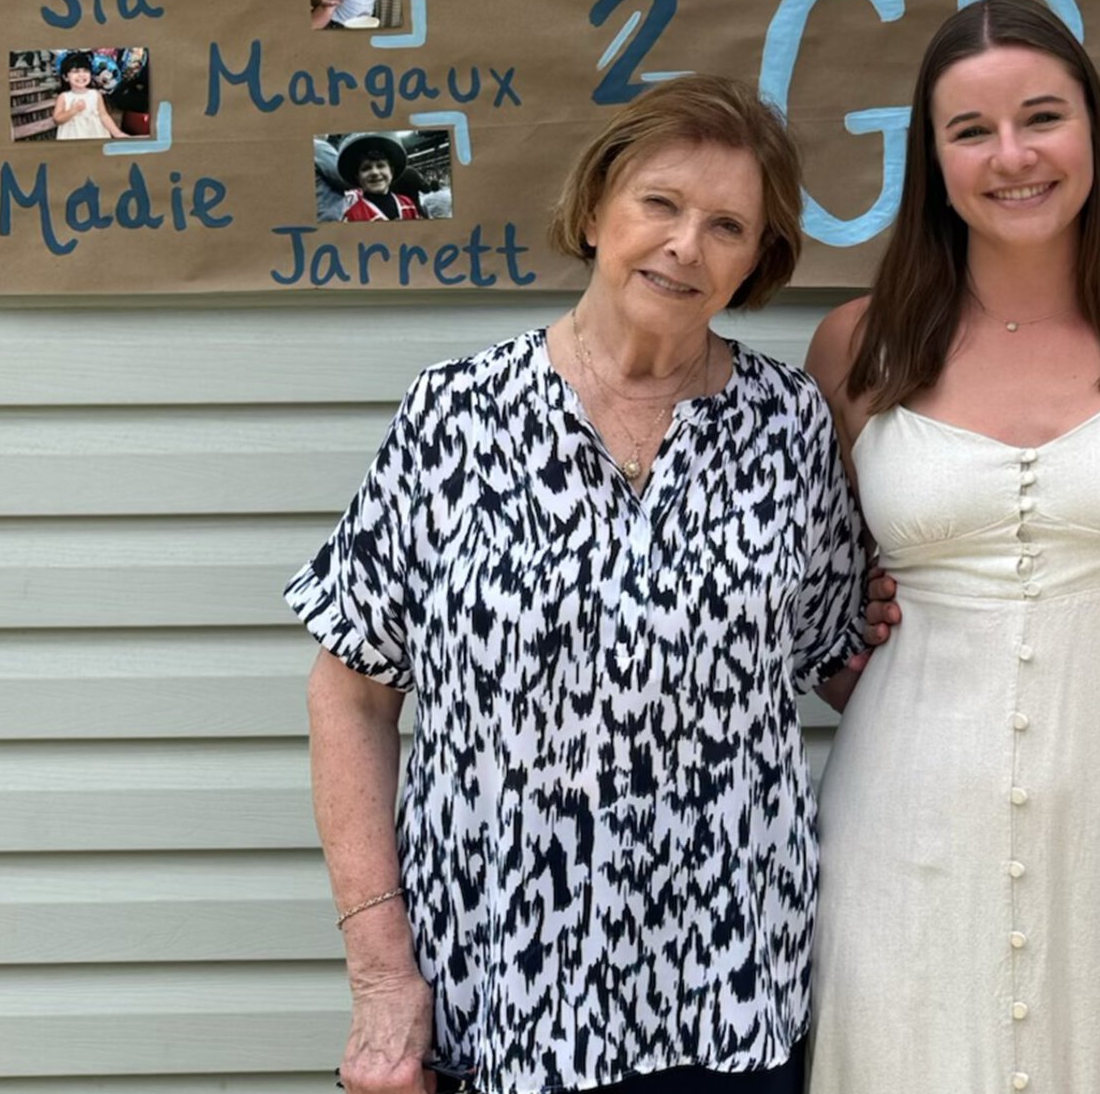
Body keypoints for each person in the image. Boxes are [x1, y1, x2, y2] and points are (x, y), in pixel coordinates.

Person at [293, 75, 870, 1094]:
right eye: (661, 203)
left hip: (727, 996)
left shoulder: (789, 426)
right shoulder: (458, 415)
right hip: (504, 993)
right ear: (599, 206)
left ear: (757, 262)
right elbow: (350, 691)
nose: (686, 245)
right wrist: (382, 977)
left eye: (726, 225)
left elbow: (839, 655)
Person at [805, 0, 1100, 1094]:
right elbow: (800, 581)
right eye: (970, 130)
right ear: (930, 159)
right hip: (905, 814)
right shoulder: (858, 345)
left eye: (1041, 117)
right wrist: (844, 648)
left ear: (1093, 131)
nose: (1012, 156)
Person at [334, 134, 423, 222]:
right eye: (366, 168)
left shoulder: (408, 203)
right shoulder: (353, 216)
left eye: (380, 166)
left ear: (391, 171)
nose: (375, 172)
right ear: (357, 177)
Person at [51, 53, 125, 140]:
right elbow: (57, 119)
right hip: (73, 135)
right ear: (65, 77)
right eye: (76, 71)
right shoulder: (64, 97)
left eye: (85, 71)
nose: (81, 75)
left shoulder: (95, 94)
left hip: (95, 134)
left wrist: (117, 133)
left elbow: (104, 116)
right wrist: (73, 110)